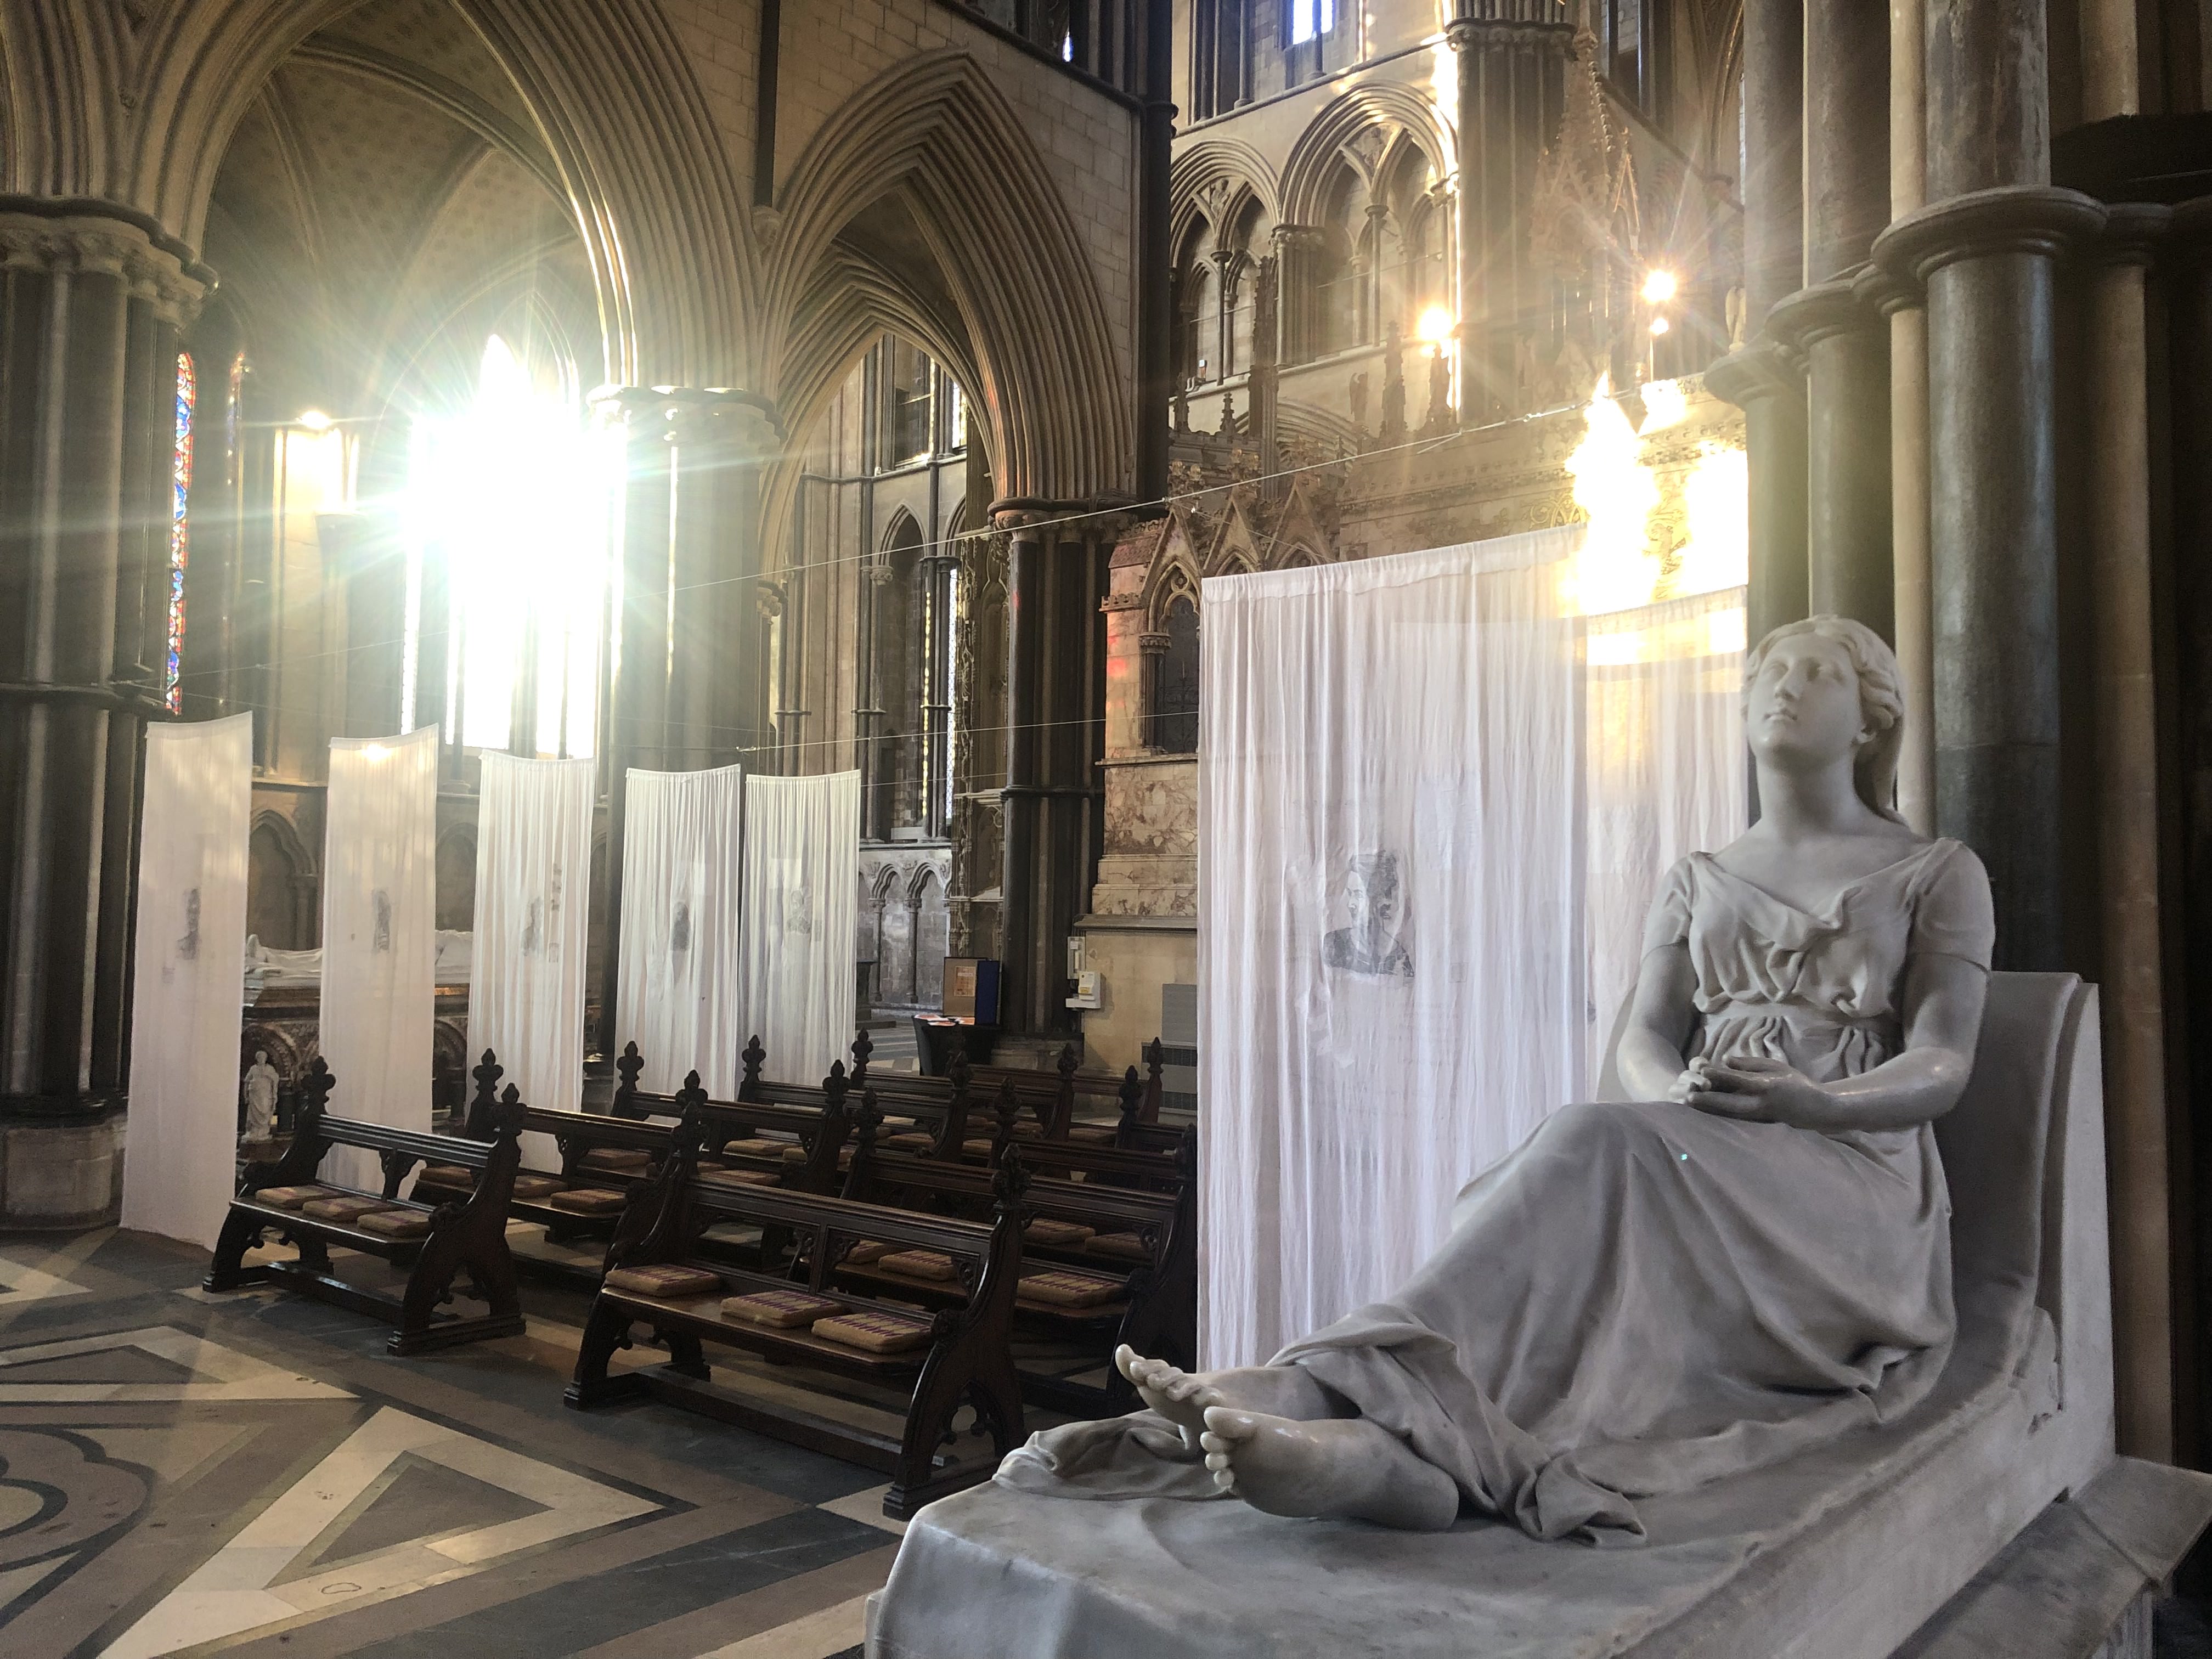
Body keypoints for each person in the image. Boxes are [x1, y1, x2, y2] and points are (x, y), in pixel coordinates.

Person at [1028, 616, 1993, 1543]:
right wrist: (1674, 1097)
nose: (1785, 685)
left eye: (1818, 671)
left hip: (1847, 1175)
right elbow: (1646, 1037)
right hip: (1710, 1134)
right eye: (1769, 673)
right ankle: (1385, 1438)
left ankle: (1339, 1389)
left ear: (1871, 717)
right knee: (1587, 1156)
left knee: (1591, 1143)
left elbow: (1943, 1061)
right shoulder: (1698, 875)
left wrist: (1817, 1101)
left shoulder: (1931, 869)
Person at [1319, 850, 1413, 979]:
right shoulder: (1335, 945)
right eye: (1350, 894)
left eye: (1358, 895)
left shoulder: (1399, 958)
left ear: (1379, 899)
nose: (1350, 904)